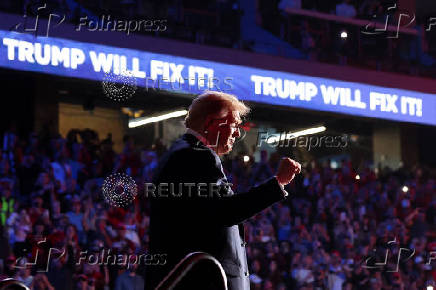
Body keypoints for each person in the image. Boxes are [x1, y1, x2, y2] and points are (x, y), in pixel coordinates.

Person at [146, 91, 301, 290]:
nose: (238, 133)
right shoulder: (196, 155)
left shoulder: (182, 152)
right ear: (211, 123)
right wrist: (278, 182)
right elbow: (225, 212)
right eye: (234, 125)